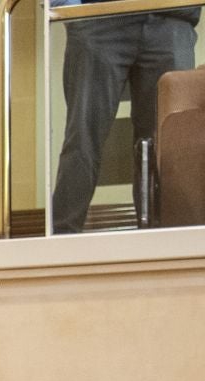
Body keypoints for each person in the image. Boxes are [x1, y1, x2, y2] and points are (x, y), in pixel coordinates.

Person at [48, 1, 200, 233]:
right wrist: (68, 8)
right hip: (98, 17)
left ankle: (169, 243)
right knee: (83, 136)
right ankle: (59, 240)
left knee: (169, 144)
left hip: (173, 16)